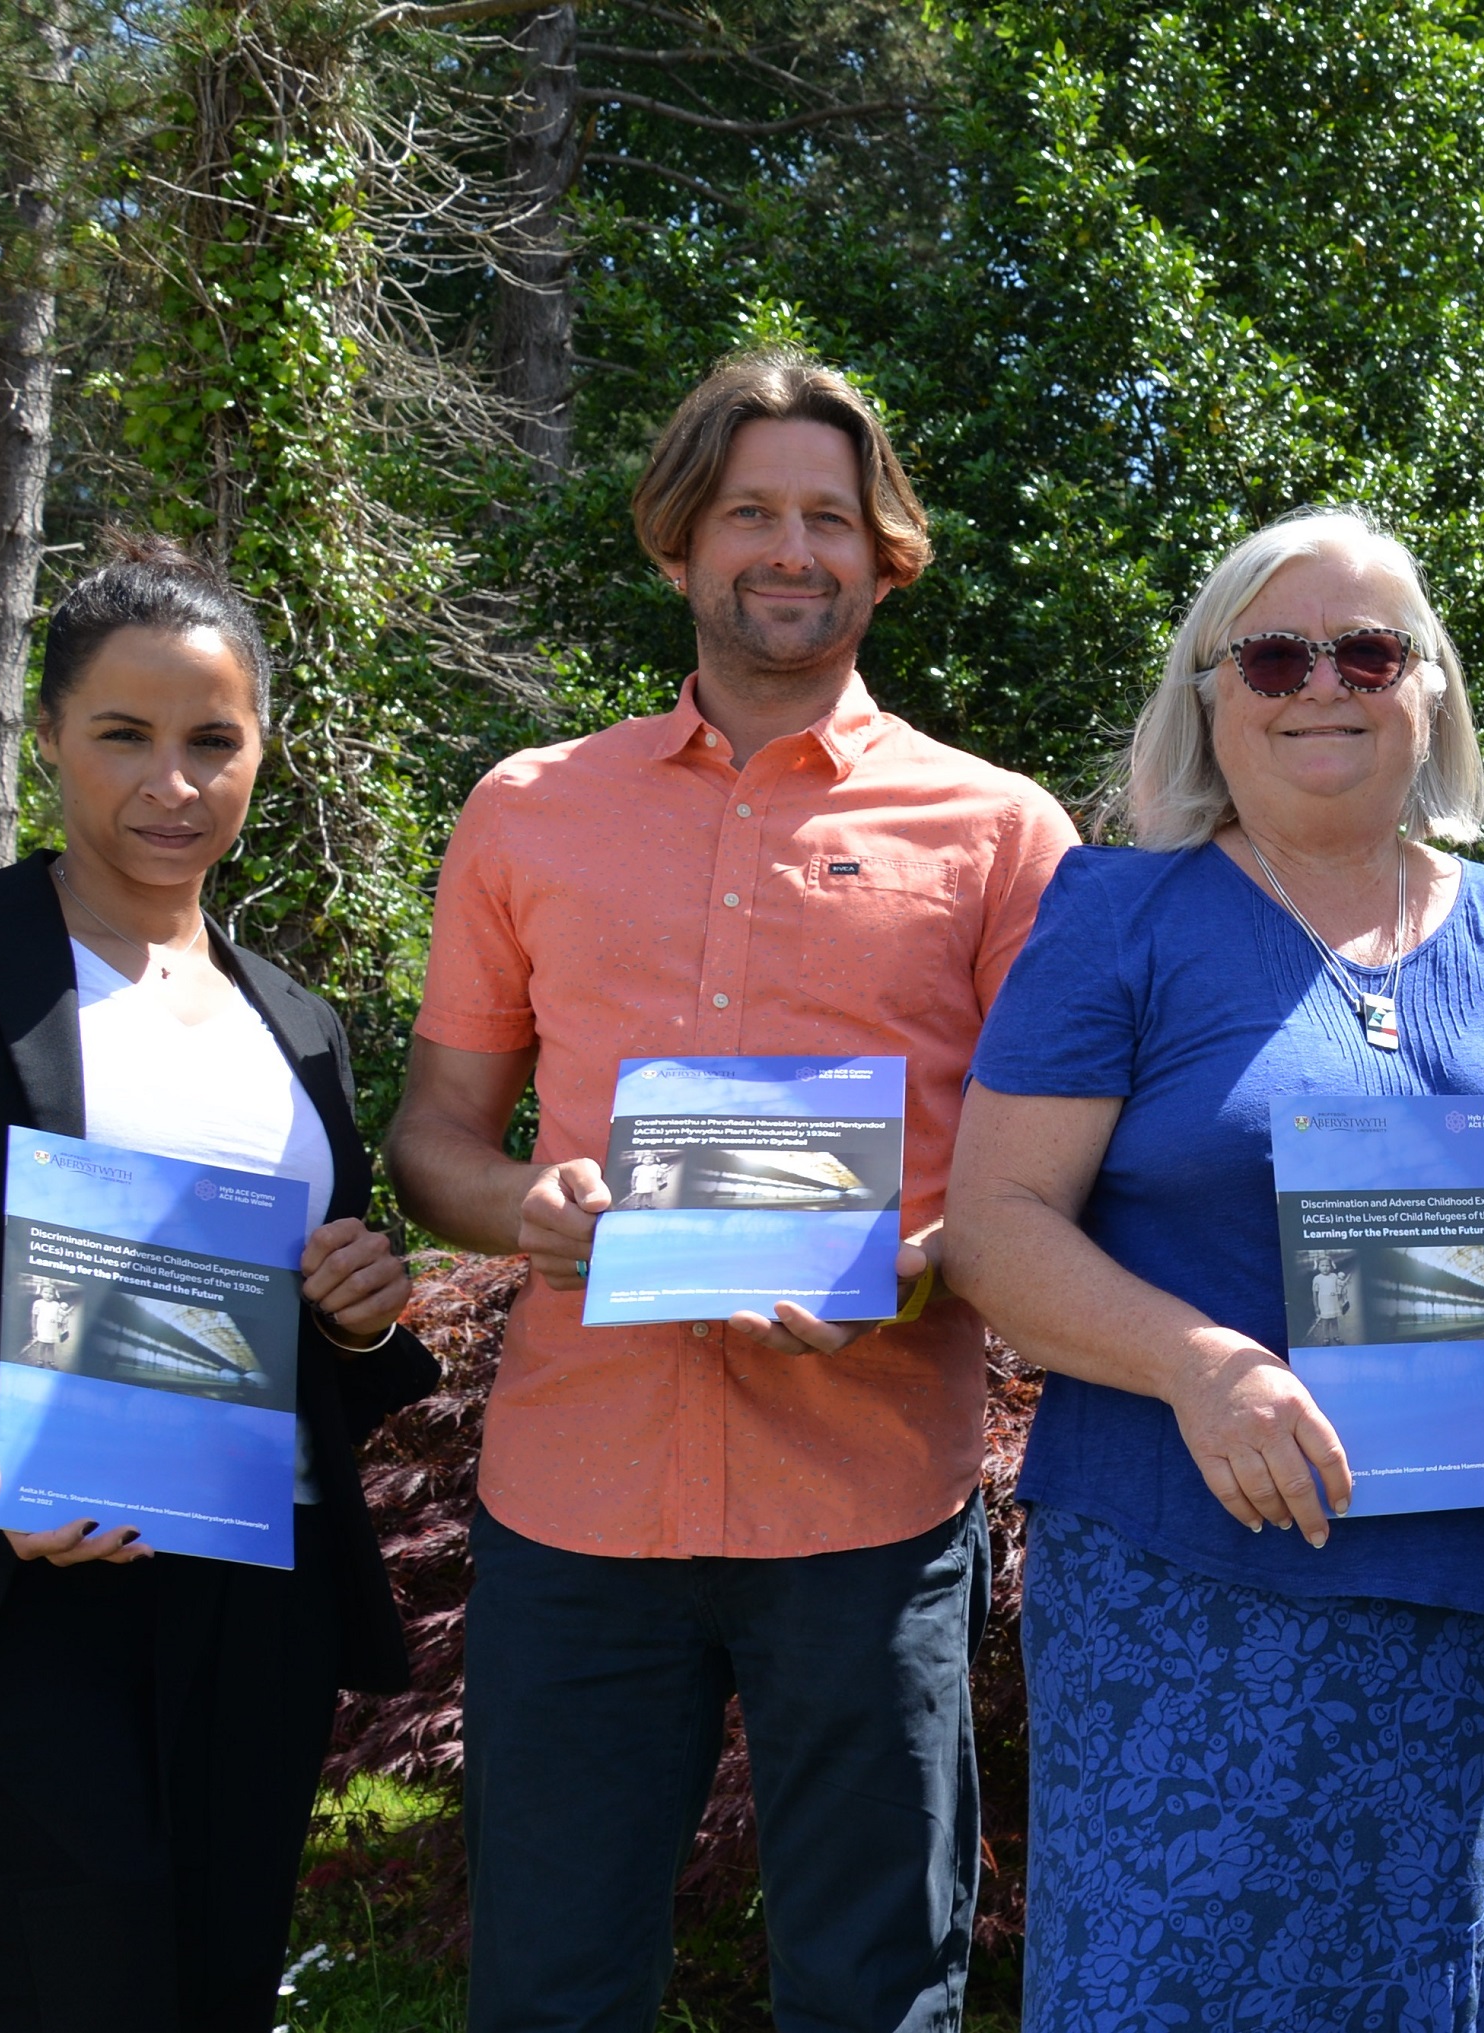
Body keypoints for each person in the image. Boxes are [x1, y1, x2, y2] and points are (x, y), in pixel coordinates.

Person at [383, 350, 1074, 2032]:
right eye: (750, 510)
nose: (791, 549)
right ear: (681, 543)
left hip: (868, 1501)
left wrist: (919, 1265)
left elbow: (1050, 1175)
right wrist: (521, 1208)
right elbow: (433, 1140)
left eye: (829, 517)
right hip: (580, 1500)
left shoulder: (998, 833)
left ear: (884, 552)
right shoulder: (528, 812)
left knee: (874, 1983)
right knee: (551, 1983)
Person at [941, 507, 1484, 2027]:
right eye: (1273, 654)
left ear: (1433, 690)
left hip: (1471, 1596)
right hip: (1183, 1592)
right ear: (1208, 695)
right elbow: (999, 1224)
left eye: (1368, 650)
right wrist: (1193, 1361)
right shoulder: (1117, 916)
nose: (1320, 684)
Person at [0, 535, 441, 2030]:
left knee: (213, 1994)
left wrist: (361, 1300)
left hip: (257, 1591)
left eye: (211, 742)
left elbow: (310, 1317)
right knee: (77, 1987)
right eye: (123, 735)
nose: (170, 784)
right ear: (48, 735)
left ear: (261, 750)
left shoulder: (293, 1018)